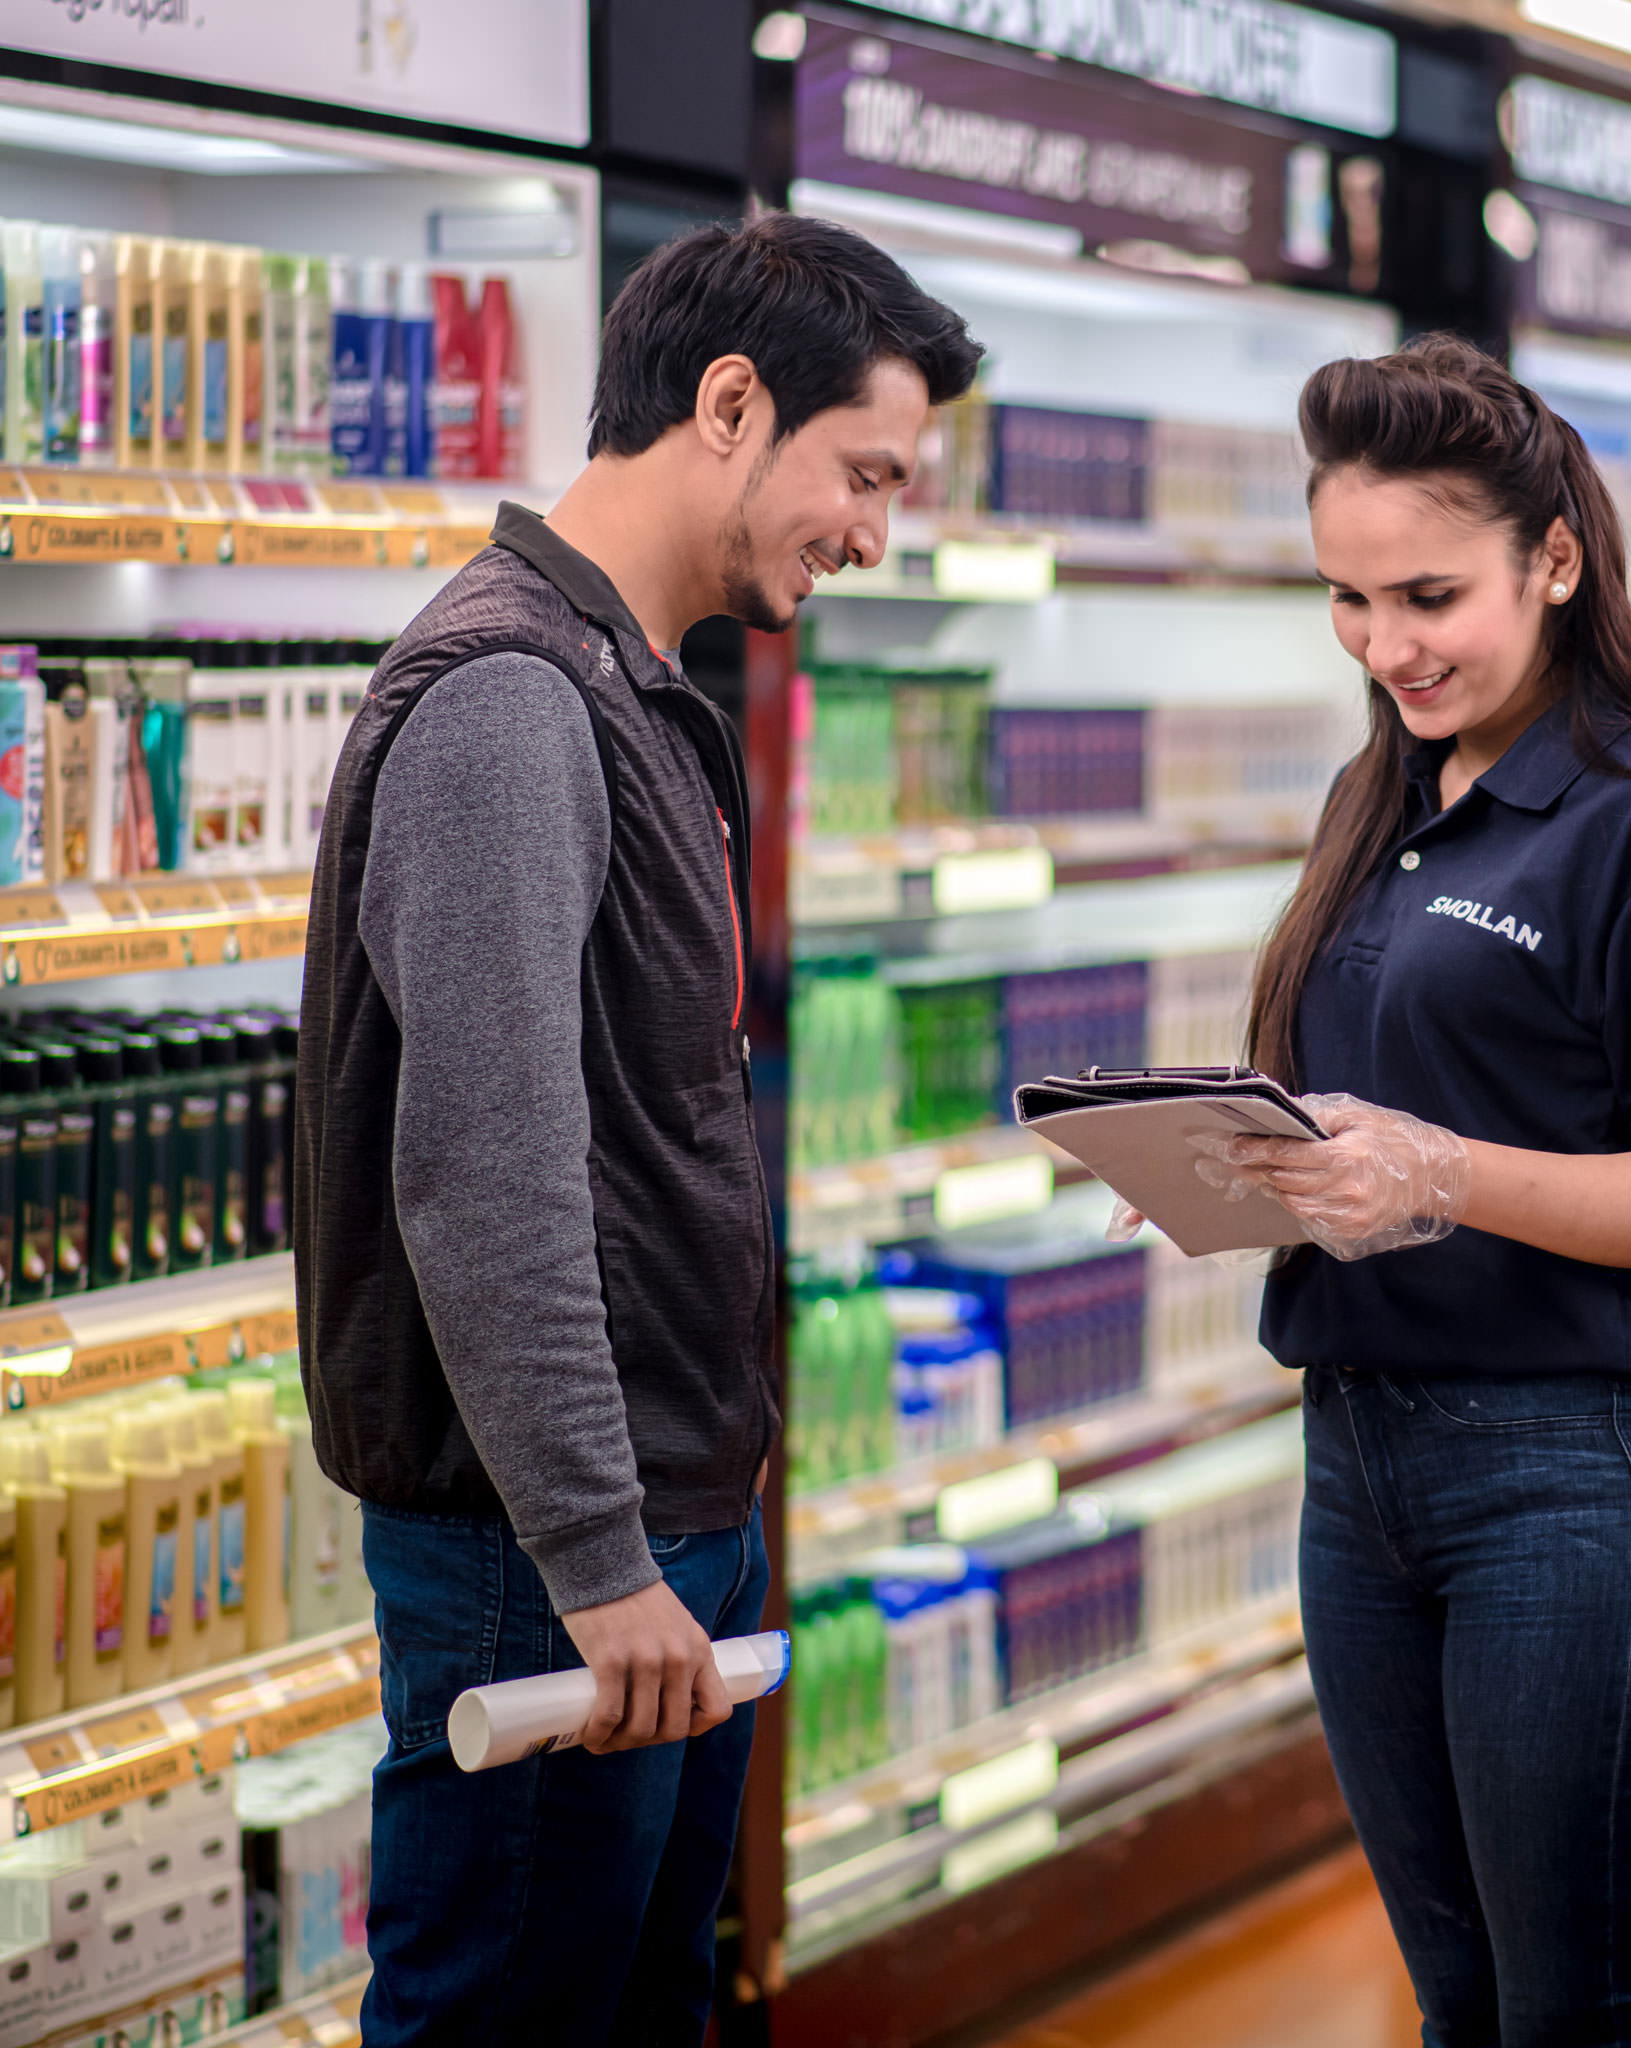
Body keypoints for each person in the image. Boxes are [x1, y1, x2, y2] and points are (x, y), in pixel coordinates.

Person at [296, 213, 981, 2046]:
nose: (872, 532)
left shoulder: (623, 687)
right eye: (866, 474)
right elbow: (486, 1166)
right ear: (733, 404)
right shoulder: (516, 700)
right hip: (549, 1573)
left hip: (658, 1535)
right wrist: (603, 1559)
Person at [1204, 334, 1631, 2044]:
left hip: (1578, 1487)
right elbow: (1387, 1117)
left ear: (1556, 559)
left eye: (1427, 594)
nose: (1385, 645)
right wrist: (1234, 1167)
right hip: (1360, 1469)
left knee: (1580, 2017)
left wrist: (1440, 1172)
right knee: (1457, 2002)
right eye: (1344, 599)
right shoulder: (1378, 793)